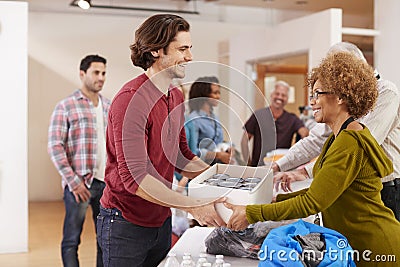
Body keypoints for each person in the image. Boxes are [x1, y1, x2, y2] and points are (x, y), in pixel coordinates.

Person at [225, 51, 400, 266]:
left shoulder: (349, 141)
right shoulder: (339, 137)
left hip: (376, 247)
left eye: (317, 94)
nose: (312, 102)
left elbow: (313, 202)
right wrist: (275, 201)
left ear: (341, 96)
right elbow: (322, 191)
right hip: (359, 244)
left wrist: (253, 213)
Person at [97, 14, 225, 267]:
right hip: (124, 222)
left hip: (161, 217)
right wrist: (193, 207)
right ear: (156, 50)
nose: (189, 57)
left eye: (190, 48)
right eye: (182, 49)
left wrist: (222, 178)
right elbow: (136, 179)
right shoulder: (130, 100)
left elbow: (180, 155)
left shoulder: (175, 96)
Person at [272, 42, 400, 221]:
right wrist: (278, 165)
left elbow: (359, 146)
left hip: (388, 187)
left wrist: (306, 172)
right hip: (354, 185)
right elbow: (316, 139)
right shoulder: (342, 100)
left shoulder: (386, 92)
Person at [48, 54, 109, 267]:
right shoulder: (66, 106)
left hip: (105, 185)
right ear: (82, 74)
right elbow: (55, 147)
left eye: (103, 73)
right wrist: (74, 182)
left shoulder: (108, 105)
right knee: (72, 240)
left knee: (105, 241)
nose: (100, 77)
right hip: (80, 185)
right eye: (96, 72)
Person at [241, 80, 309, 166]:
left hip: (282, 168)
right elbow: (244, 140)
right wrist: (248, 163)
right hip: (259, 167)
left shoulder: (292, 119)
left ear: (287, 99)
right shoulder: (258, 115)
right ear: (271, 95)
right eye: (277, 94)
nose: (279, 97)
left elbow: (304, 133)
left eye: (283, 95)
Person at [186, 76, 234, 165]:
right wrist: (216, 155)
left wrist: (230, 147)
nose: (218, 96)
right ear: (204, 95)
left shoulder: (215, 118)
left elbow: (218, 143)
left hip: (218, 166)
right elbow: (191, 151)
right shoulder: (194, 120)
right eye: (215, 93)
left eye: (219, 93)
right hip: (202, 167)